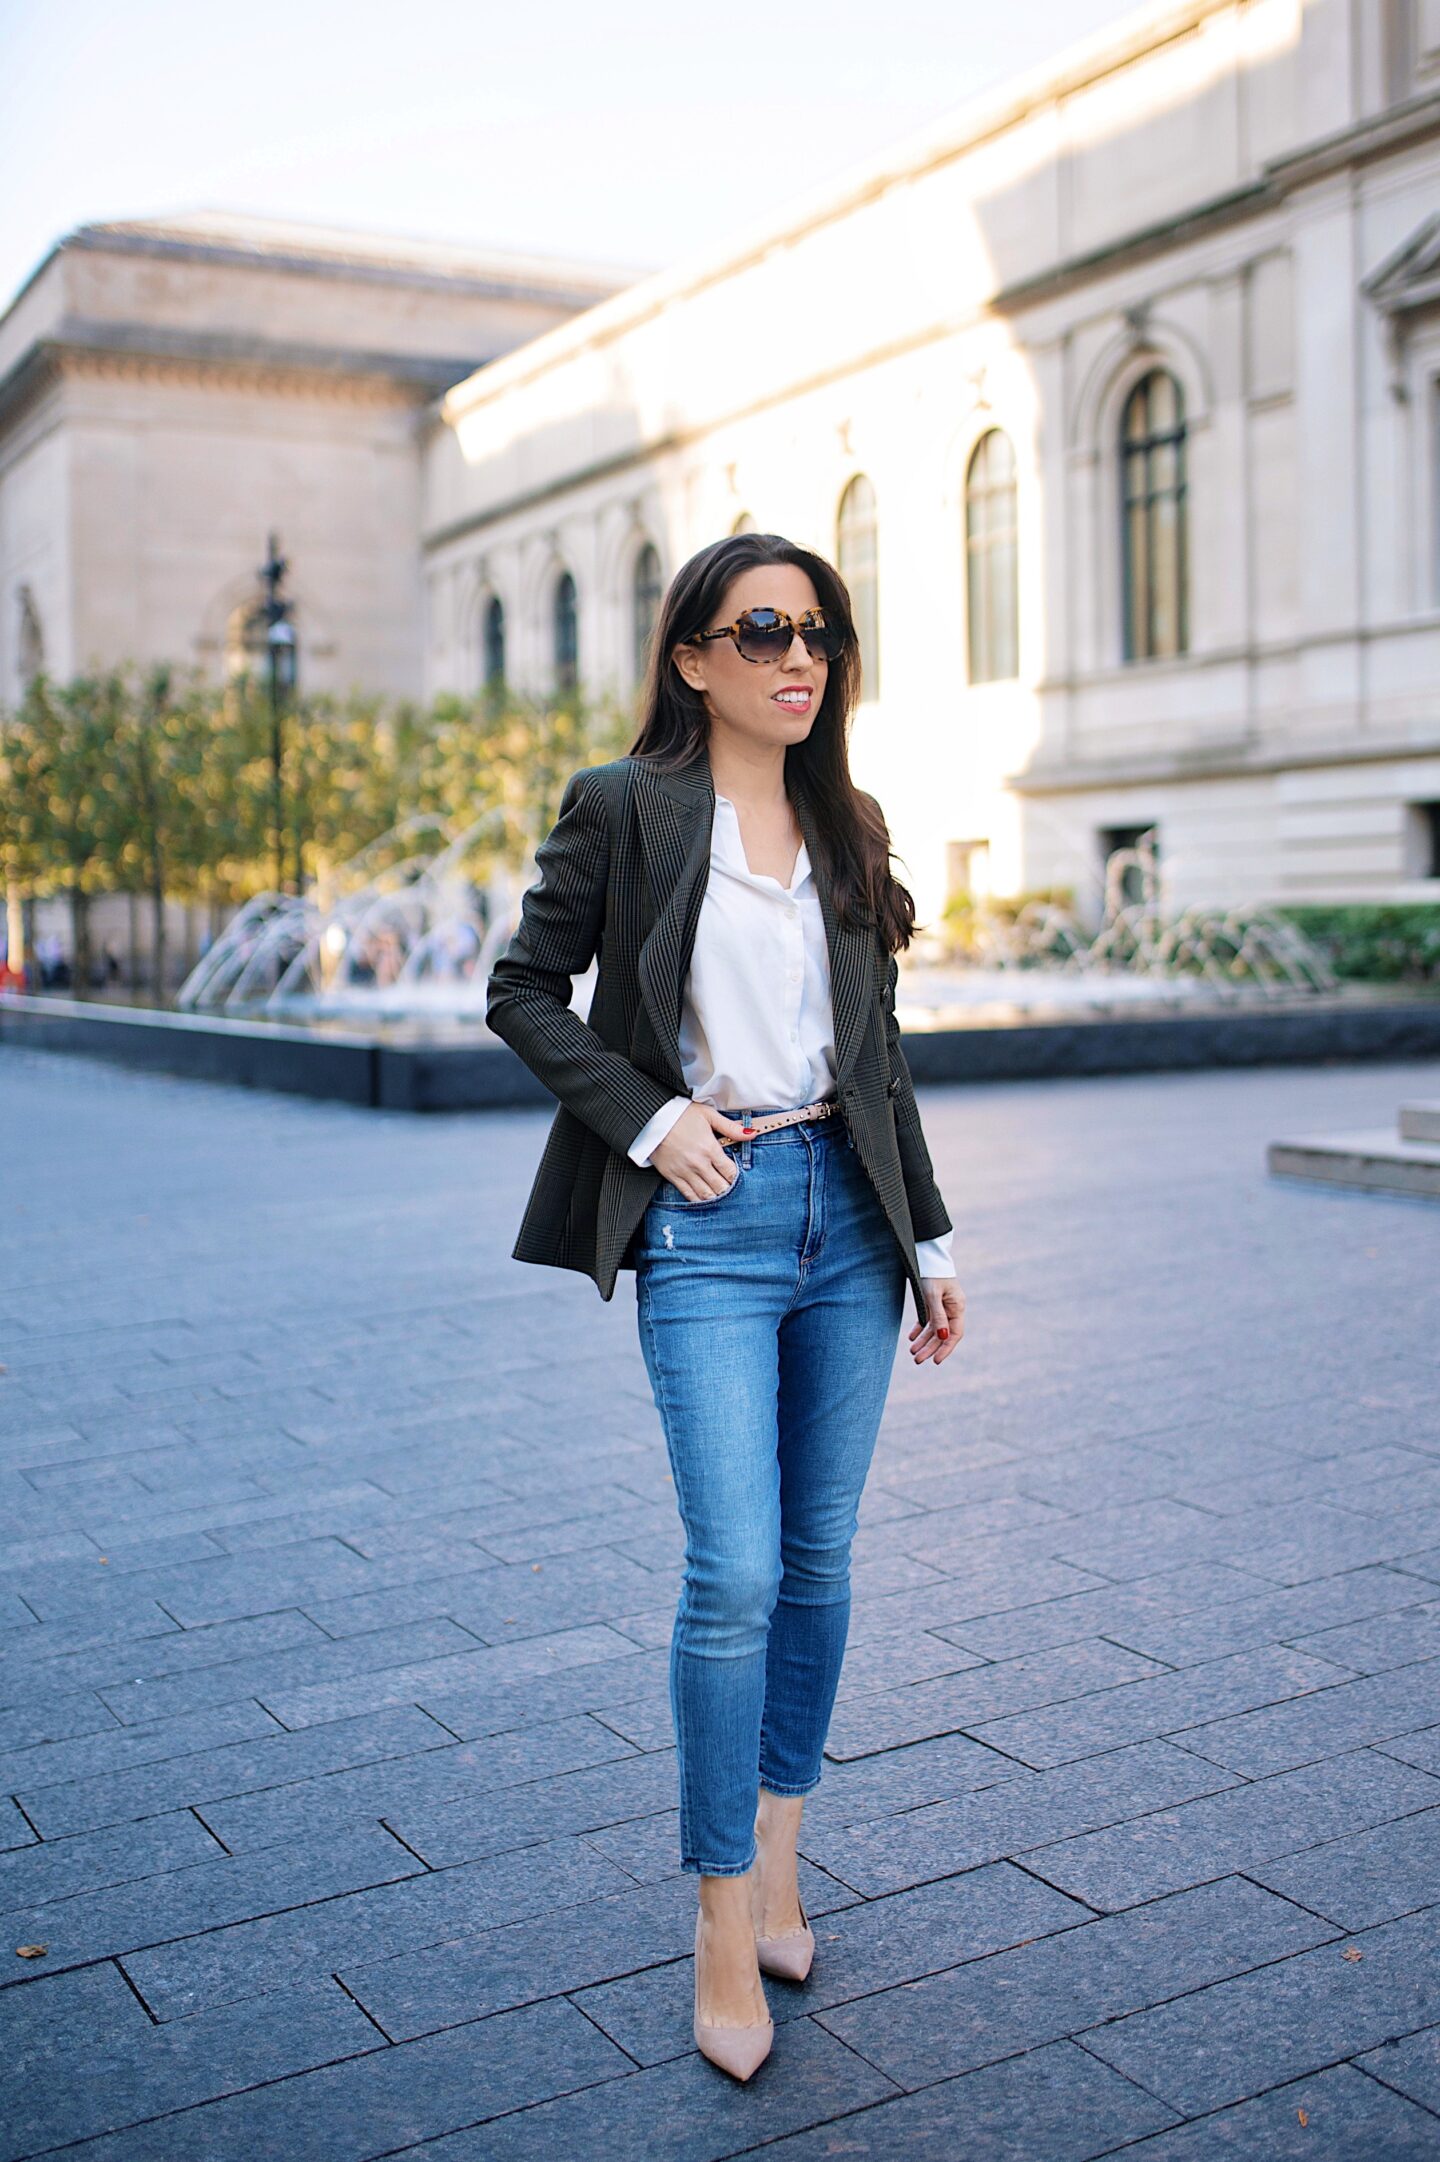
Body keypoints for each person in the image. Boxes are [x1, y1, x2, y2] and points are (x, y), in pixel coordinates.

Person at [486, 532, 965, 2082]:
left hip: (852, 1223)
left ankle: (778, 1857)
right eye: (762, 630)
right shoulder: (626, 808)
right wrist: (649, 1120)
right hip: (713, 1214)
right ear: (693, 657)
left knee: (819, 1557)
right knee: (737, 1568)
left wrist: (934, 1240)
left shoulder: (852, 817)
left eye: (817, 630)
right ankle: (713, 1917)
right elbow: (520, 989)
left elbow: (876, 1055)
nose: (797, 656)